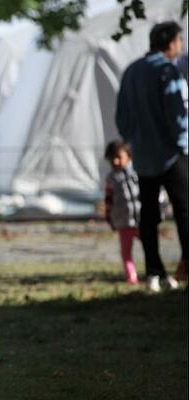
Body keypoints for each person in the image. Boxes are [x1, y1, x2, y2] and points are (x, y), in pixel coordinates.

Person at [116, 21, 188, 291]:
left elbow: (121, 117)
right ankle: (185, 262)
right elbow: (177, 114)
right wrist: (182, 144)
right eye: (179, 42)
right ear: (170, 43)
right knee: (184, 210)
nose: (180, 47)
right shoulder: (167, 71)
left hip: (144, 156)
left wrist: (134, 142)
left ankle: (154, 270)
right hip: (172, 155)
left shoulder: (131, 71)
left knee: (149, 214)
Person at [103, 140, 142, 284]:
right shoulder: (111, 179)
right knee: (126, 253)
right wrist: (110, 219)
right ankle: (131, 277)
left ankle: (154, 271)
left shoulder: (138, 172)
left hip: (140, 220)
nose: (115, 161)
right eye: (112, 158)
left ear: (129, 156)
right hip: (123, 222)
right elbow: (108, 201)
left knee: (150, 247)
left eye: (119, 157)